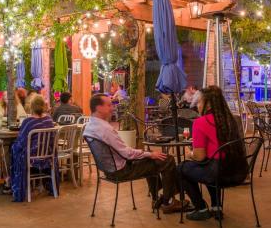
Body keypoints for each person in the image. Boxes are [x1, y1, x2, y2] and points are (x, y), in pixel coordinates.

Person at [84, 93, 186, 213]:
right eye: (109, 105)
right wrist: (149, 154)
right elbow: (127, 153)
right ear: (99, 108)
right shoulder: (105, 129)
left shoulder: (89, 126)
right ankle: (167, 202)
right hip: (121, 171)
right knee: (167, 159)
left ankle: (157, 198)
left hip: (107, 170)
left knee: (152, 159)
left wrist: (147, 154)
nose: (113, 108)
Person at [179, 86, 247, 221]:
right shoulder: (231, 120)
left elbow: (199, 156)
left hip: (218, 174)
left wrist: (189, 153)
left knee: (181, 168)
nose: (197, 105)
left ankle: (201, 208)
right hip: (239, 172)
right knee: (208, 164)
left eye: (199, 102)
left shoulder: (200, 122)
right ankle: (216, 208)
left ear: (208, 103)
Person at [10, 95, 57, 202]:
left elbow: (21, 142)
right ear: (43, 107)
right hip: (47, 156)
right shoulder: (49, 120)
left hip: (31, 157)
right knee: (16, 148)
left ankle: (13, 183)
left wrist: (14, 146)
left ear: (31, 107)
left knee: (13, 148)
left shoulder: (28, 122)